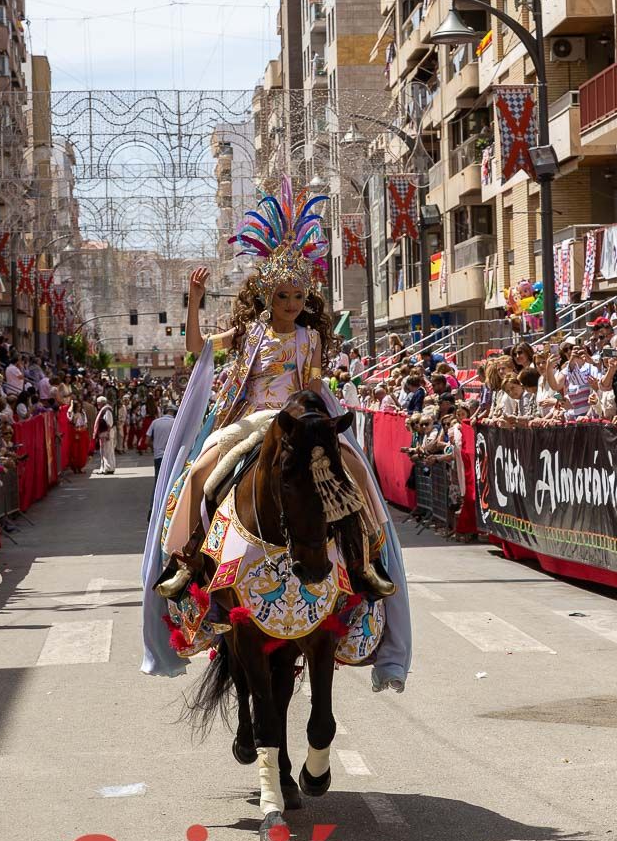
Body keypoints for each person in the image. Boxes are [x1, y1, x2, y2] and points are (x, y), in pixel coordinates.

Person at [142, 178, 410, 694]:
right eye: (283, 295)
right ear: (267, 295)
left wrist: (315, 418)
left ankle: (366, 557)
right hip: (250, 420)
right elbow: (197, 348)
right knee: (199, 471)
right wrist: (193, 301)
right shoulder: (249, 334)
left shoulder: (310, 337)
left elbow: (310, 387)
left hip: (297, 417)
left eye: (299, 295)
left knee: (355, 470)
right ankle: (188, 557)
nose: (291, 302)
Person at [146, 403, 176, 519]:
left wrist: (154, 447)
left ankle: (153, 509)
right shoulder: (175, 423)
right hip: (171, 457)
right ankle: (168, 509)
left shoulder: (155, 422)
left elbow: (147, 439)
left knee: (157, 483)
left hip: (158, 457)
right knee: (170, 483)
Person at [93, 395, 115, 474]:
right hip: (104, 433)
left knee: (107, 451)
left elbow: (109, 423)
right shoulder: (104, 410)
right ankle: (105, 468)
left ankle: (108, 468)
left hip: (106, 433)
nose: (97, 405)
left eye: (98, 403)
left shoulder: (107, 410)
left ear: (102, 403)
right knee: (104, 451)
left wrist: (108, 434)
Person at [67, 397, 90, 473]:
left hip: (83, 432)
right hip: (75, 433)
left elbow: (86, 423)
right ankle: (75, 467)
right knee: (75, 451)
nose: (78, 408)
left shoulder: (83, 413)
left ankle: (81, 467)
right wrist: (74, 418)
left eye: (80, 406)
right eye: (77, 407)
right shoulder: (72, 413)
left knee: (83, 450)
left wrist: (83, 427)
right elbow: (70, 421)